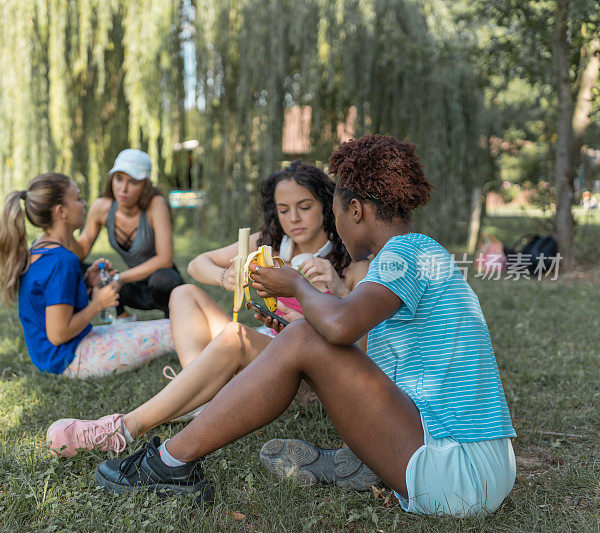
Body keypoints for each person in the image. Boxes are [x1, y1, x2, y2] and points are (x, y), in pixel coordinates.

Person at [93, 135, 517, 517]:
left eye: (335, 214)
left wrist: (294, 282)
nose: (338, 228)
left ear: (356, 210)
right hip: (482, 465)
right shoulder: (422, 252)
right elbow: (364, 360)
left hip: (460, 475)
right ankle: (352, 463)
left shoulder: (401, 255)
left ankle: (168, 462)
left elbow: (337, 329)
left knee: (303, 337)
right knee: (303, 334)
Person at [46, 161, 370, 459]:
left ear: (326, 206)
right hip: (272, 348)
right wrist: (223, 275)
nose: (294, 219)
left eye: (304, 207)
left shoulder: (347, 263)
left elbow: (366, 350)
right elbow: (197, 263)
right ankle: (198, 396)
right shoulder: (270, 243)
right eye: (284, 210)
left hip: (307, 373)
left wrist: (336, 297)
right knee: (184, 293)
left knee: (236, 336)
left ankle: (122, 428)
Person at [0, 172, 174, 379]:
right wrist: (97, 304)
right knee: (172, 331)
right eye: (77, 198)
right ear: (61, 212)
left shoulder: (40, 249)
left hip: (55, 355)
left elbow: (52, 299)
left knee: (166, 327)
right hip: (71, 359)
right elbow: (58, 334)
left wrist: (86, 283)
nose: (84, 203)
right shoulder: (62, 261)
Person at [76, 149, 183, 317]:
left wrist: (119, 278)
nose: (123, 189)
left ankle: (175, 324)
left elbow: (165, 259)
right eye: (118, 179)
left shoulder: (156, 204)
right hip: (133, 286)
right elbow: (80, 252)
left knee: (164, 279)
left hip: (163, 284)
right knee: (78, 269)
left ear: (145, 184)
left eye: (133, 182)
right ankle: (121, 319)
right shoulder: (101, 208)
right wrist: (61, 231)